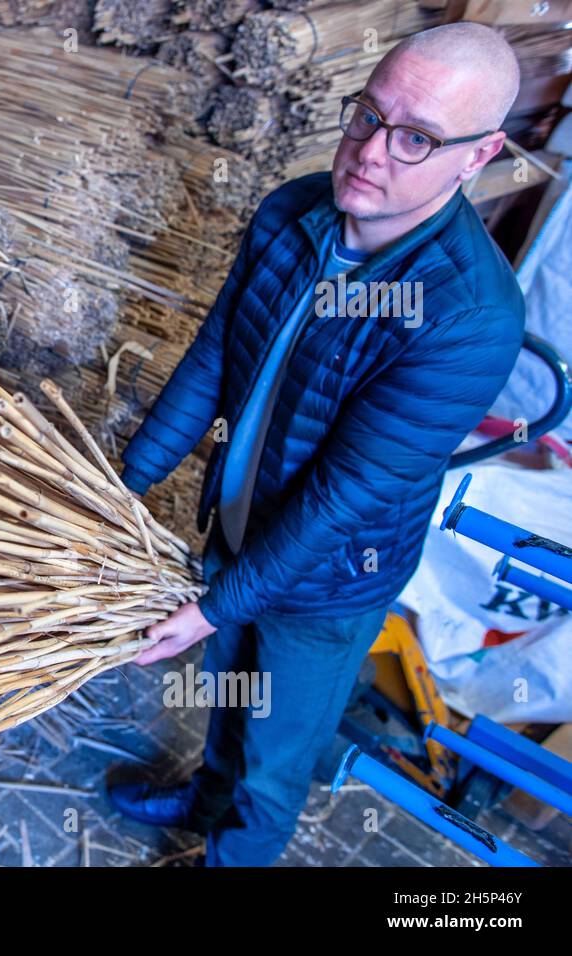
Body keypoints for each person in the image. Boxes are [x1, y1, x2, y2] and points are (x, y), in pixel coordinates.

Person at [109, 23, 526, 866]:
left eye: (416, 138)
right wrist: (123, 484)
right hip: (236, 528)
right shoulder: (295, 210)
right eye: (367, 115)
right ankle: (204, 795)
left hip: (332, 576)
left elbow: (346, 496)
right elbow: (218, 353)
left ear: (478, 157)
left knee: (276, 754)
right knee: (227, 696)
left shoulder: (470, 318)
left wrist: (211, 606)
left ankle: (235, 851)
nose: (371, 152)